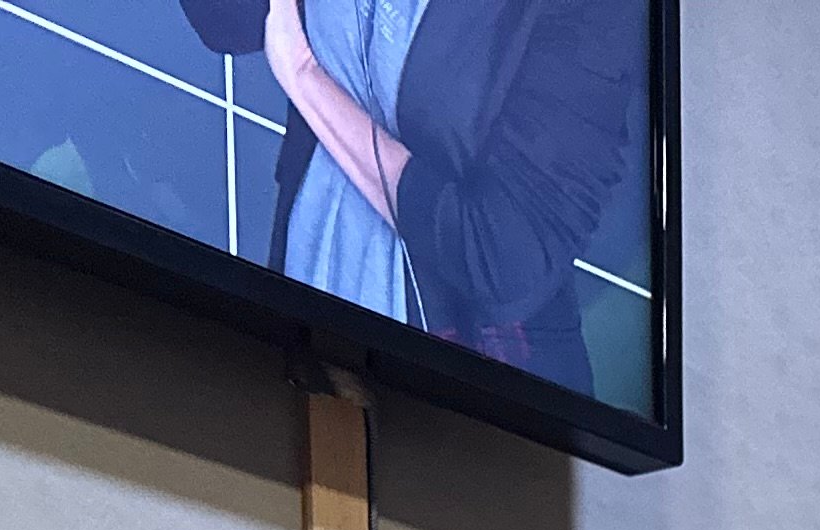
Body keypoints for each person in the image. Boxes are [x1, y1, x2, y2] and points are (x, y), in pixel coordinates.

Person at [183, 0, 645, 397]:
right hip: (306, 325)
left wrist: (303, 77)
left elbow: (503, 260)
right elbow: (230, 22)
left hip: (472, 421)